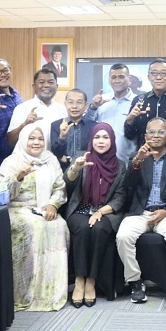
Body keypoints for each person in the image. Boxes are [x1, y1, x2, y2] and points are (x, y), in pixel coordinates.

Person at [116, 118, 166, 304]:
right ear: (145, 136)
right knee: (123, 236)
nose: (156, 135)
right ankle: (135, 282)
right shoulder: (137, 158)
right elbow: (127, 187)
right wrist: (138, 161)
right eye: (152, 132)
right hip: (140, 212)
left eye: (161, 132)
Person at [0, 124, 68, 312]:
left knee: (59, 226)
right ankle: (24, 293)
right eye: (32, 138)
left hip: (44, 209)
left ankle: (50, 292)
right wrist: (18, 177)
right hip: (17, 209)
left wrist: (53, 204)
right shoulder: (12, 161)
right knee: (34, 226)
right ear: (23, 140)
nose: (36, 142)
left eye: (40, 139)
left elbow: (60, 188)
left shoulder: (50, 160)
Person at [63, 122, 127, 307]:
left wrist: (100, 212)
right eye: (97, 137)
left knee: (99, 229)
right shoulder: (82, 158)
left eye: (105, 137)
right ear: (91, 140)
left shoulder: (120, 165)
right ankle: (79, 280)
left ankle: (91, 280)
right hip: (80, 209)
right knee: (83, 228)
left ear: (112, 140)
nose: (101, 141)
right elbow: (68, 183)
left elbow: (121, 197)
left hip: (106, 212)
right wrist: (76, 168)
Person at [124, 59, 166, 156]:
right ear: (148, 77)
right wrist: (129, 120)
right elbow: (129, 135)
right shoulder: (139, 101)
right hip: (145, 157)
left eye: (164, 73)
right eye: (154, 73)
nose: (158, 77)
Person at [86, 63, 136, 163]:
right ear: (109, 80)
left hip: (128, 162)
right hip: (102, 162)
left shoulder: (137, 101)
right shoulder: (102, 100)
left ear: (129, 79)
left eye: (121, 77)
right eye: (113, 77)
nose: (117, 81)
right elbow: (87, 125)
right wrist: (93, 107)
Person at [7, 68, 67, 149]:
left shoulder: (62, 110)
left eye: (51, 82)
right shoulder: (22, 108)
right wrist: (25, 123)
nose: (46, 85)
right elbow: (10, 141)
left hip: (55, 156)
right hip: (29, 157)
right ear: (34, 86)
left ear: (56, 86)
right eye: (41, 82)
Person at [50, 89, 96, 172]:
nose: (74, 106)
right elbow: (56, 153)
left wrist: (68, 159)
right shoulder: (56, 125)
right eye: (70, 102)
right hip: (61, 171)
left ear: (86, 105)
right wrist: (62, 137)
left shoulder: (94, 126)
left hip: (87, 171)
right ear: (65, 104)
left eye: (79, 102)